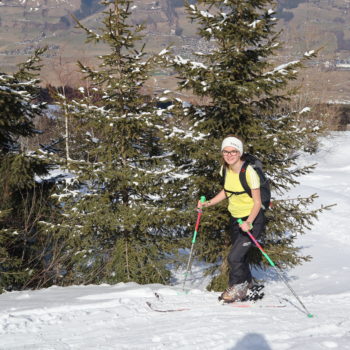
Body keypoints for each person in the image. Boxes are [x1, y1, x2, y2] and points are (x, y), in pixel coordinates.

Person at [197, 135, 266, 302]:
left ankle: (236, 288)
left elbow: (258, 202)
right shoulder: (225, 169)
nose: (229, 155)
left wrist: (249, 222)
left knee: (234, 257)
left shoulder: (249, 172)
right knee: (238, 256)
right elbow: (228, 190)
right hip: (236, 219)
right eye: (226, 151)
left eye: (233, 151)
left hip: (252, 220)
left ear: (240, 152)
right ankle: (247, 285)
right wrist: (209, 203)